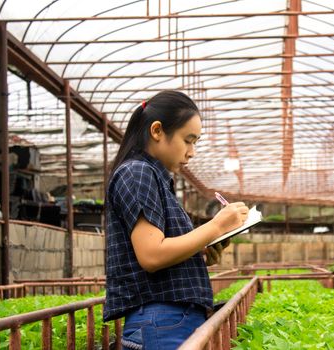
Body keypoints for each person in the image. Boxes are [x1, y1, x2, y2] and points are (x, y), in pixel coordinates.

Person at [103, 90, 249, 349]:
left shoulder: (155, 178)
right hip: (161, 320)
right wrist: (216, 225)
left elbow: (161, 251)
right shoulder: (138, 173)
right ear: (157, 131)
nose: (192, 152)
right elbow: (152, 255)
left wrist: (202, 252)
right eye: (188, 140)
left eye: (196, 142)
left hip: (168, 319)